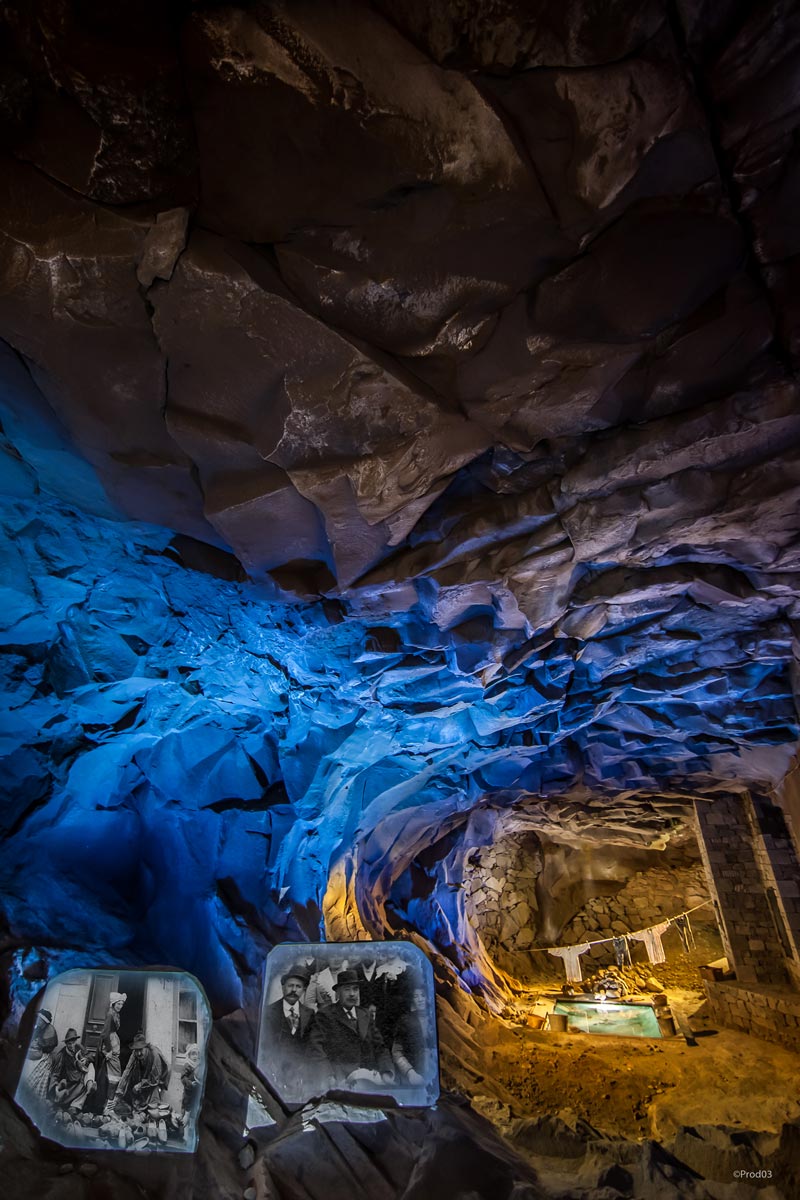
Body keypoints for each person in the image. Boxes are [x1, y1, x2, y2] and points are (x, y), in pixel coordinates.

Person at [307, 968, 394, 1091]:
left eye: (355, 989)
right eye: (347, 989)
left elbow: (380, 1047)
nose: (352, 994)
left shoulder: (365, 1014)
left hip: (368, 1078)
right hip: (339, 1080)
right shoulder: (325, 1015)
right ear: (338, 993)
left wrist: (386, 1072)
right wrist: (329, 1076)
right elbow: (316, 1049)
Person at [262, 964, 315, 1081]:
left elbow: (311, 1045)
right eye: (290, 986)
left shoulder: (309, 1014)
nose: (294, 990)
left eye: (298, 987)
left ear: (303, 991)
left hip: (301, 1073)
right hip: (274, 1070)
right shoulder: (269, 1012)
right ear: (283, 987)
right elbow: (265, 1045)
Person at [87, 990, 126, 1115]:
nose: (120, 1006)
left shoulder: (115, 1013)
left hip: (113, 1042)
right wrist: (108, 1050)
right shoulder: (110, 1014)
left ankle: (106, 1106)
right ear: (113, 1004)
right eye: (118, 1004)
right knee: (114, 1075)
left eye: (121, 1004)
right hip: (109, 1044)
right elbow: (105, 1034)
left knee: (110, 1075)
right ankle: (107, 1107)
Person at [115, 1032, 170, 1110]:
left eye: (141, 1050)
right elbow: (127, 1071)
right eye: (136, 1050)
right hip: (146, 1077)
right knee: (137, 1099)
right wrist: (119, 1092)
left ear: (146, 1048)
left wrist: (140, 1085)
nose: (139, 1053)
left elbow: (154, 1080)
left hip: (159, 1079)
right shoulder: (135, 1053)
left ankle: (153, 1109)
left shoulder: (155, 1055)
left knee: (153, 1102)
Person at [48, 1029, 97, 1114]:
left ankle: (78, 1102)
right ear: (66, 1044)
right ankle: (67, 1104)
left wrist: (86, 1059)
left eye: (73, 1043)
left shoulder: (79, 1048)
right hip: (69, 1084)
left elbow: (91, 1058)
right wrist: (54, 1088)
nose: (71, 1046)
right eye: (69, 1044)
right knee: (63, 1091)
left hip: (80, 1080)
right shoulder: (61, 1055)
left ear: (76, 1041)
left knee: (90, 1066)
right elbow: (55, 1074)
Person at [391, 985, 428, 1086]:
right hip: (415, 1076)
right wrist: (410, 1073)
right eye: (416, 996)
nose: (420, 999)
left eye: (423, 995)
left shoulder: (439, 1018)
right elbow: (396, 1052)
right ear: (412, 1000)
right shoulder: (405, 1021)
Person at [25, 1008, 59, 1102]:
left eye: (40, 1020)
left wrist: (37, 1044)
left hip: (45, 1054)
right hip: (36, 1052)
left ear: (44, 1021)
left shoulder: (50, 1030)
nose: (38, 1021)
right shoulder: (38, 1028)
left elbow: (47, 1046)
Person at [180, 1043, 202, 1129]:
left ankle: (191, 1128)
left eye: (196, 1054)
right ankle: (183, 1127)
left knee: (194, 1110)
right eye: (193, 1054)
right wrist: (190, 1083)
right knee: (186, 1108)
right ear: (189, 1055)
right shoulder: (187, 1065)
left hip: (196, 1092)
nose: (195, 1056)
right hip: (188, 1092)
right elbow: (183, 1078)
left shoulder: (199, 1065)